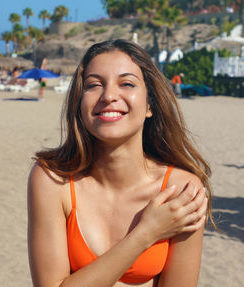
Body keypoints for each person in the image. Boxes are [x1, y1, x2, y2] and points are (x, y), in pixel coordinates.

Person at [28, 39, 214, 287]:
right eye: (94, 85)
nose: (109, 96)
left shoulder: (182, 190)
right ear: (79, 103)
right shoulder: (52, 179)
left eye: (127, 83)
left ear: (150, 105)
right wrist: (146, 233)